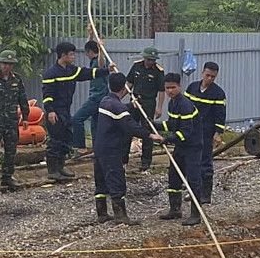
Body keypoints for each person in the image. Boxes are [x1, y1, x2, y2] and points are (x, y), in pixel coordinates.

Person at [92, 72, 164, 225]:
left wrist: (131, 105)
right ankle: (121, 216)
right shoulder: (117, 107)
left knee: (101, 180)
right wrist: (150, 135)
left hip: (99, 148)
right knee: (116, 179)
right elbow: (130, 126)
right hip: (111, 150)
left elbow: (119, 109)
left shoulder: (105, 101)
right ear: (124, 87)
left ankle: (102, 213)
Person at [40, 40, 111, 183]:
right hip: (55, 112)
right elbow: (47, 95)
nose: (74, 57)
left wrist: (107, 70)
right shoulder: (51, 73)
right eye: (71, 54)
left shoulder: (71, 70)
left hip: (66, 110)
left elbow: (88, 73)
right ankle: (53, 170)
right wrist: (50, 111)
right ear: (63, 55)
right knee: (55, 141)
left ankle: (61, 167)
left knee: (66, 139)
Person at [157, 72, 203, 226]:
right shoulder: (172, 103)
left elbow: (185, 132)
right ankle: (175, 209)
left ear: (179, 87)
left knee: (193, 179)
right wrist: (157, 126)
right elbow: (172, 124)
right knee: (174, 177)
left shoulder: (185, 105)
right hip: (180, 146)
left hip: (192, 147)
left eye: (173, 87)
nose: (170, 91)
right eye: (167, 88)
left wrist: (168, 139)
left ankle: (196, 214)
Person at [0, 49, 30, 191]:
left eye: (9, 64)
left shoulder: (17, 79)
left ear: (12, 65)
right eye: (3, 63)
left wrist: (25, 116)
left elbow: (23, 98)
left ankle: (7, 177)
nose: (6, 66)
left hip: (12, 120)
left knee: (11, 150)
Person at [186, 60, 228, 209]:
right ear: (202, 72)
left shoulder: (218, 93)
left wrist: (218, 133)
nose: (209, 79)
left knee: (205, 162)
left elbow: (220, 114)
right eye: (208, 75)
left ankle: (205, 193)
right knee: (191, 162)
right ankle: (192, 190)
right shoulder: (192, 88)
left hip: (206, 131)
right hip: (191, 131)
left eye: (213, 77)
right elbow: (185, 107)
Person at [124, 47, 166, 171]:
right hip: (135, 100)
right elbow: (129, 83)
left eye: (152, 60)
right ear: (144, 58)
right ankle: (123, 158)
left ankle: (146, 161)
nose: (150, 62)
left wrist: (159, 108)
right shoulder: (137, 66)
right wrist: (120, 96)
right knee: (128, 128)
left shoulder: (158, 71)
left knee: (147, 131)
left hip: (149, 103)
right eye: (148, 59)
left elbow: (162, 91)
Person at [70, 39, 110, 153]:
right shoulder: (93, 60)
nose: (86, 55)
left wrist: (101, 50)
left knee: (77, 118)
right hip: (99, 96)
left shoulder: (100, 60)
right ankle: (98, 150)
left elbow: (101, 65)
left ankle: (80, 147)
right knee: (95, 125)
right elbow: (90, 46)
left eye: (86, 53)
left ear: (90, 52)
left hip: (97, 97)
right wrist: (91, 34)